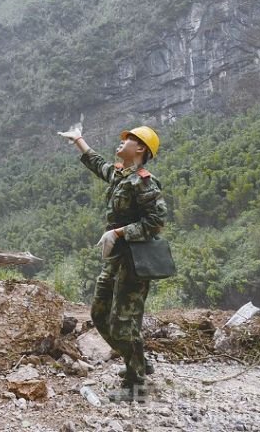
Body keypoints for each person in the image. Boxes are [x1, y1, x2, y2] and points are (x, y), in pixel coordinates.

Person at [58, 125, 167, 402]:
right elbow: (100, 166)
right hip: (116, 258)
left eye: (129, 139)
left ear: (140, 149)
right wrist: (79, 140)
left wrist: (118, 232)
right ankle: (138, 359)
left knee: (122, 324)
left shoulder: (144, 182)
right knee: (98, 314)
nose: (122, 142)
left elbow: (155, 223)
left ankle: (136, 385)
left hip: (134, 261)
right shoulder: (122, 175)